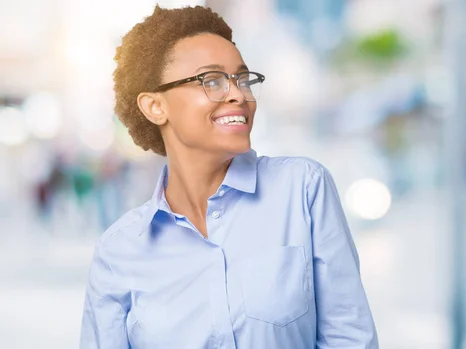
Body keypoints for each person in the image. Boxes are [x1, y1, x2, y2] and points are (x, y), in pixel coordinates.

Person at [79, 5, 378, 348]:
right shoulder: (119, 251)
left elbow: (350, 338)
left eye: (243, 78)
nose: (239, 94)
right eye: (212, 81)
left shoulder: (303, 188)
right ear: (155, 106)